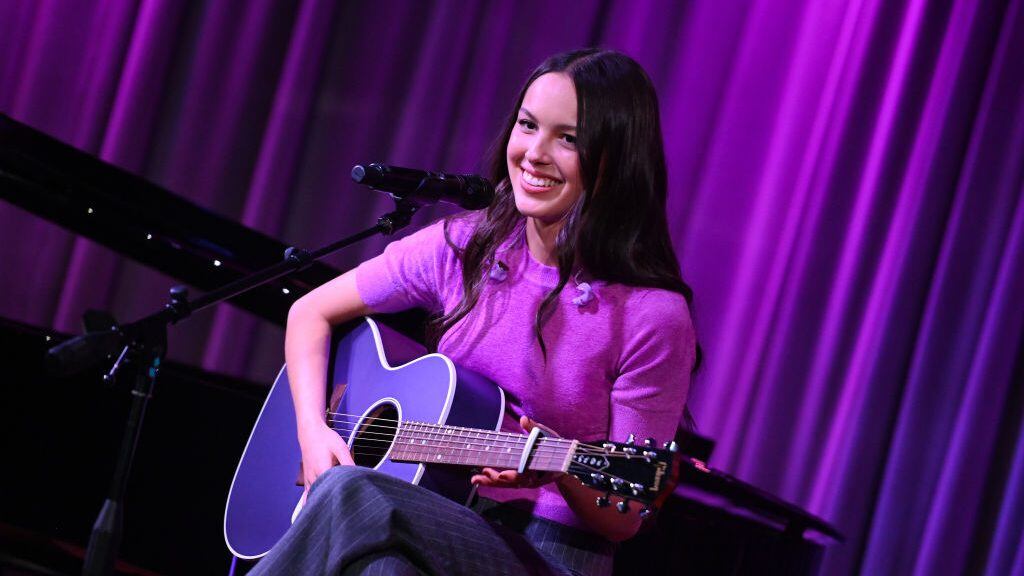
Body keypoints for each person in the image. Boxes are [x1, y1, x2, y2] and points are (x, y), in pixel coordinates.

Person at [250, 48, 698, 576]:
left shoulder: (652, 316)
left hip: (551, 554)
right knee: (380, 558)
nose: (534, 152)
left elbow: (625, 517)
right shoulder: (467, 246)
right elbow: (310, 312)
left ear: (616, 160)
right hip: (426, 512)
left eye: (569, 138)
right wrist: (312, 433)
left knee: (360, 497)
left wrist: (560, 469)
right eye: (527, 125)